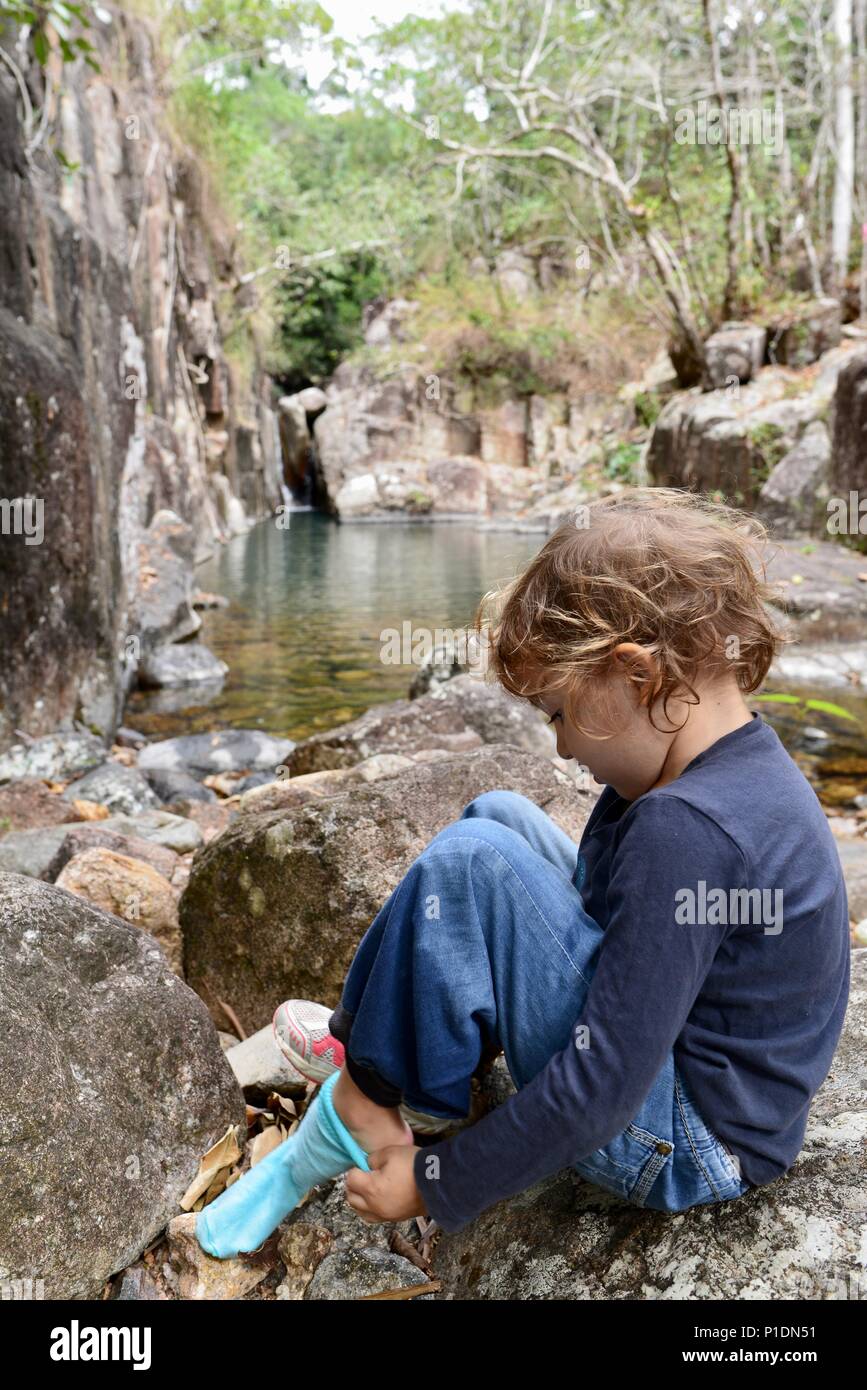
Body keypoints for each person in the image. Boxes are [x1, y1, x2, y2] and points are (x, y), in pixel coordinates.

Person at [196, 488, 851, 1259]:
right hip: (705, 1098)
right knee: (500, 814)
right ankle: (381, 1049)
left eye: (558, 714)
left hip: (682, 1141)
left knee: (476, 866)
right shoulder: (724, 766)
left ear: (635, 673)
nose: (563, 750)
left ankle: (364, 1104)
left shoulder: (686, 832)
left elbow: (603, 1091)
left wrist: (436, 1180)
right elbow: (608, 923)